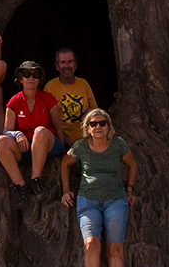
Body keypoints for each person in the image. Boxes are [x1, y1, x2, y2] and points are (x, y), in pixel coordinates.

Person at [62, 108, 135, 267]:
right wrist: (66, 191)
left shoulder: (119, 144)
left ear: (109, 126)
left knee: (115, 249)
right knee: (91, 244)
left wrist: (129, 190)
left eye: (102, 123)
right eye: (93, 124)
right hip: (88, 201)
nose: (98, 127)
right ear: (87, 128)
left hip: (115, 200)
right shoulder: (81, 146)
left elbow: (132, 165)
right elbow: (65, 163)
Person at [0, 60, 64, 199]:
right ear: (20, 79)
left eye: (35, 75)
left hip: (48, 145)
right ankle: (20, 185)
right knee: (0, 142)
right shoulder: (14, 101)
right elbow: (6, 130)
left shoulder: (48, 99)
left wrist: (64, 155)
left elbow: (58, 128)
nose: (31, 78)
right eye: (26, 74)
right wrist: (17, 133)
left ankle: (35, 180)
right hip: (26, 147)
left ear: (40, 80)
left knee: (40, 131)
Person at [43, 46, 97, 146]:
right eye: (63, 62)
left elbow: (96, 112)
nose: (67, 66)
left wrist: (90, 112)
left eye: (70, 62)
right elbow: (45, 120)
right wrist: (61, 137)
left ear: (75, 65)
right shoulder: (50, 87)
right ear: (57, 66)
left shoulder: (83, 84)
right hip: (62, 142)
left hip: (86, 140)